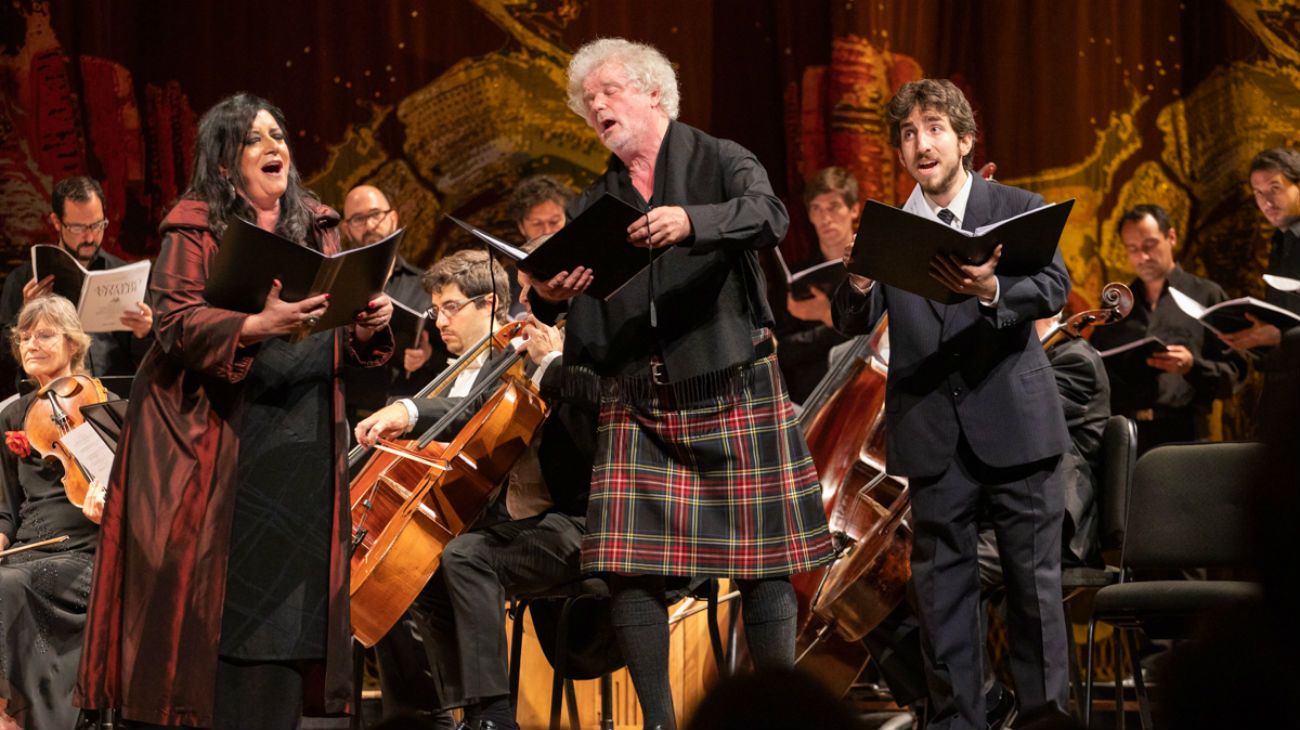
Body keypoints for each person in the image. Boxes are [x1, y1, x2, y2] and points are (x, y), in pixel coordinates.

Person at [526, 38, 833, 730]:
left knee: (764, 562)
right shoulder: (594, 201)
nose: (594, 106)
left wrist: (696, 221)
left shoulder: (718, 159)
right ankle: (662, 725)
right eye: (586, 101)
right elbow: (556, 298)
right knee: (630, 569)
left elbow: (771, 215)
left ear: (654, 93)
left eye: (608, 91)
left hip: (730, 384)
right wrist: (550, 294)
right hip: (638, 397)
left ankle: (777, 714)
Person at [74, 92, 394, 729]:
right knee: (213, 599)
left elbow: (346, 327)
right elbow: (175, 322)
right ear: (224, 164)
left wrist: (366, 323)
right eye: (254, 139)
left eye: (278, 135)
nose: (274, 147)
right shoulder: (195, 227)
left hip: (303, 432)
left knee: (290, 602)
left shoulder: (322, 226)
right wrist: (255, 325)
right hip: (217, 436)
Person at [832, 78, 1072, 729]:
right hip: (932, 432)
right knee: (943, 597)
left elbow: (1054, 284)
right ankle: (961, 722)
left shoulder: (1013, 205)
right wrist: (855, 276)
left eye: (934, 127)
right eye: (908, 134)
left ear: (964, 140)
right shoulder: (893, 227)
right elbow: (855, 316)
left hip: (1017, 426)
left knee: (1033, 591)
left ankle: (1048, 720)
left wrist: (994, 289)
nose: (920, 143)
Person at [356, 246, 594, 730]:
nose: (440, 320)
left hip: (569, 525)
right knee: (421, 571)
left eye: (450, 307)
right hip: (513, 528)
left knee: (463, 557)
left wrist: (409, 411)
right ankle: (455, 713)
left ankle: (494, 717)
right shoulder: (468, 368)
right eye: (435, 309)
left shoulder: (524, 357)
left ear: (489, 305)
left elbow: (470, 410)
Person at [863, 309, 1112, 729]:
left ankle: (985, 701)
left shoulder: (1075, 359)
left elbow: (1013, 422)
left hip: (1054, 520)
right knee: (878, 590)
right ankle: (967, 702)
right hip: (986, 516)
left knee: (943, 581)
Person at [0, 296, 108, 730]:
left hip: (86, 550)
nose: (31, 344)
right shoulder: (13, 413)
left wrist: (108, 510)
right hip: (29, 546)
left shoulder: (102, 402)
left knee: (6, 586)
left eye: (44, 335)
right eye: (24, 338)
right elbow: (5, 508)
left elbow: (138, 494)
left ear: (73, 342)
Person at [1088, 204, 1244, 453]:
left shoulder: (1206, 295)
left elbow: (1236, 372)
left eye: (1149, 245)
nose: (1142, 257)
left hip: (1186, 433)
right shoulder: (1117, 303)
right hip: (1127, 435)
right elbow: (1095, 371)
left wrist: (1193, 367)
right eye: (1133, 249)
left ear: (1171, 237)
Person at [0, 177, 152, 396]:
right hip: (45, 403)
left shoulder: (123, 275)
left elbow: (150, 359)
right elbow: (5, 357)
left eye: (97, 225)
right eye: (78, 227)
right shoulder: (24, 278)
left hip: (112, 396)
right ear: (56, 222)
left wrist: (145, 332)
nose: (90, 236)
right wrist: (25, 315)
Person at [339, 184, 448, 424]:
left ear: (393, 218)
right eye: (358, 219)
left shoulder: (426, 285)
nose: (369, 225)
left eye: (376, 215)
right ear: (346, 229)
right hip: (350, 420)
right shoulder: (338, 285)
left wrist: (428, 356)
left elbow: (452, 353)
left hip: (407, 419)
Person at [1221, 148, 1300, 426]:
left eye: (1274, 189)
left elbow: (1286, 330)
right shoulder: (1282, 243)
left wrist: (1280, 336)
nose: (1266, 201)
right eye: (1258, 193)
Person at [776, 166, 854, 403]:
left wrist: (825, 315)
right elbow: (784, 351)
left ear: (854, 209)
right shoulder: (799, 277)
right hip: (810, 396)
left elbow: (876, 336)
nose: (826, 218)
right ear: (809, 216)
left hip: (860, 388)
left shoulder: (874, 269)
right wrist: (835, 329)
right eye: (817, 209)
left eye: (834, 207)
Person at [502, 175, 573, 318]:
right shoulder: (507, 283)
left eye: (554, 221)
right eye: (537, 224)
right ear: (521, 227)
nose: (547, 231)